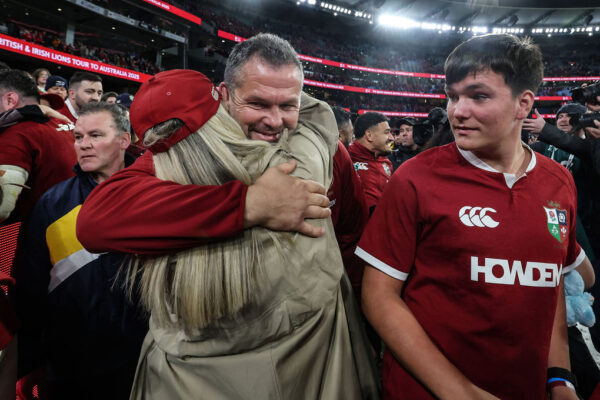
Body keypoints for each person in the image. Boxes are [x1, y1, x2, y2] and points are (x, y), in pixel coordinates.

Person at [77, 34, 376, 398]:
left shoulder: (330, 155)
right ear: (223, 95)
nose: (275, 120)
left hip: (310, 356)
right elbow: (97, 220)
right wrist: (249, 205)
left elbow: (350, 234)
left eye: (288, 105)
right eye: (258, 103)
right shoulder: (179, 160)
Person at [357, 33, 592, 400]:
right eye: (453, 96)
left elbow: (552, 285)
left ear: (523, 104)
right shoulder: (415, 177)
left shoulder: (559, 181)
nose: (458, 111)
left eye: (478, 96)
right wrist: (460, 392)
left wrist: (559, 378)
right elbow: (378, 296)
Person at [15, 102, 147, 400]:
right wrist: (32, 360)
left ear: (124, 140)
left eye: (95, 135)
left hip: (146, 358)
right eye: (78, 137)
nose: (84, 145)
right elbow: (29, 287)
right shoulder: (52, 204)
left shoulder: (155, 194)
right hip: (72, 365)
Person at [0, 69, 76, 225]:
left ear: (9, 100)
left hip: (31, 238)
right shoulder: (62, 123)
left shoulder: (16, 135)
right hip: (72, 228)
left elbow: (2, 207)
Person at [348, 111, 393, 213]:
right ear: (369, 135)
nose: (392, 138)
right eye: (386, 132)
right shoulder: (347, 159)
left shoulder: (387, 163)